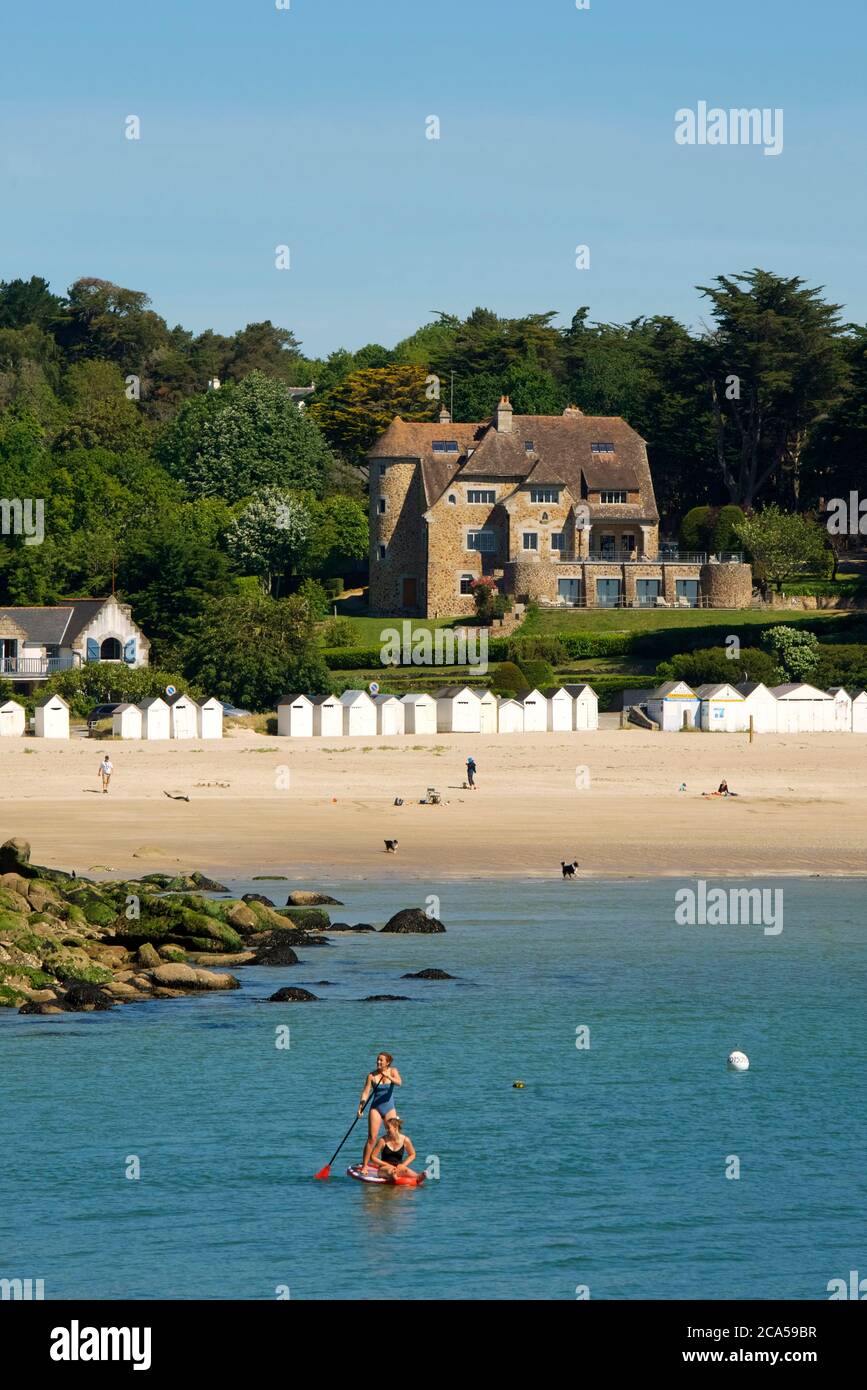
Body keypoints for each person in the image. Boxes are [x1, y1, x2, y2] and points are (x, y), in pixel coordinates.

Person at [359, 1052, 402, 1173]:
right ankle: (365, 1166)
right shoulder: (371, 1075)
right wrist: (361, 1106)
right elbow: (366, 1092)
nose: (378, 1062)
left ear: (387, 1062)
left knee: (394, 1136)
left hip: (390, 1108)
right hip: (376, 1108)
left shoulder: (393, 1071)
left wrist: (388, 1077)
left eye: (381, 1060)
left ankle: (390, 1165)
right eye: (377, 1060)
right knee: (372, 1138)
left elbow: (399, 1082)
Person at [370, 1114, 417, 1181]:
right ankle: (393, 1176)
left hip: (398, 1167)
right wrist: (386, 1164)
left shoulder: (405, 1140)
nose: (387, 1130)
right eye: (386, 1128)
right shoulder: (382, 1140)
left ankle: (418, 1177)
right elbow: (373, 1157)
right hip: (384, 1168)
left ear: (395, 1127)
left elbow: (412, 1154)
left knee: (406, 1170)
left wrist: (403, 1165)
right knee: (390, 1171)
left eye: (388, 1128)